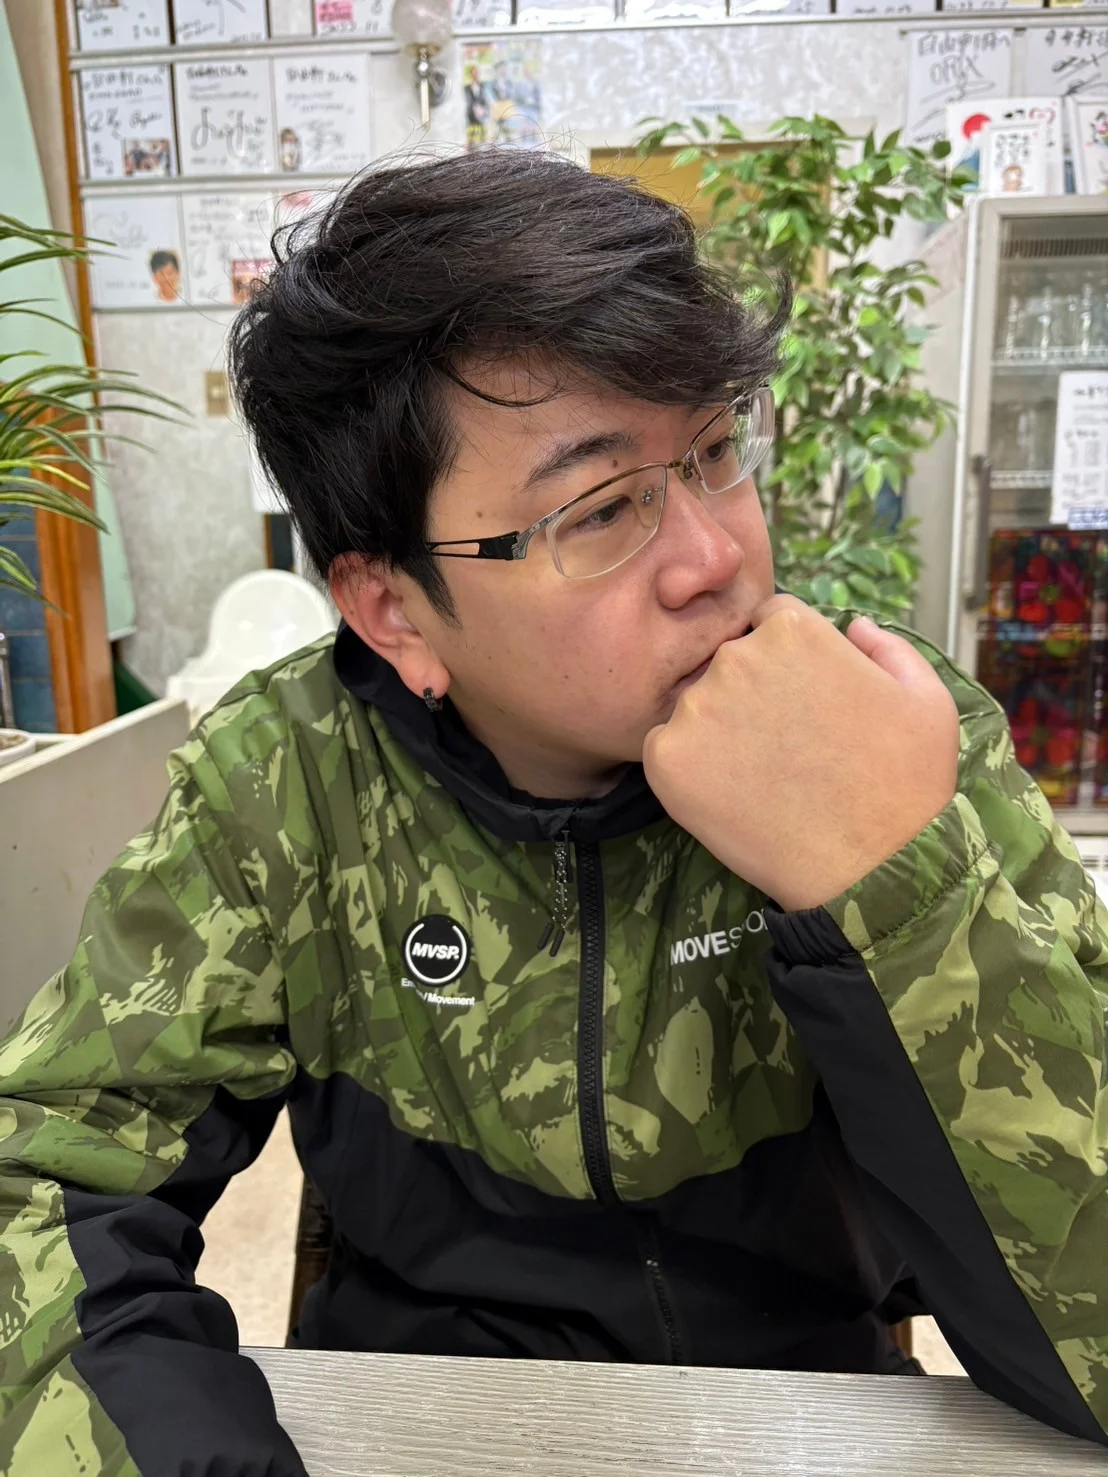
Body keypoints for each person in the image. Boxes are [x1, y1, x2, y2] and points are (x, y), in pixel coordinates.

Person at [1, 151, 1106, 1475]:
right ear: (394, 610)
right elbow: (46, 1183)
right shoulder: (289, 780)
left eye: (714, 452)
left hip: (810, 1421)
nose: (715, 558)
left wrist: (892, 883)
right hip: (425, 1420)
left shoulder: (891, 729)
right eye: (601, 509)